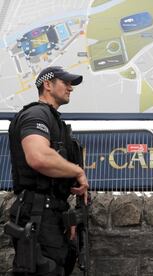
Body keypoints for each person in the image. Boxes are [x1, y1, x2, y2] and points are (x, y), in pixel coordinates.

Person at [7, 66, 89, 275]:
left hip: (51, 214)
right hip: (37, 214)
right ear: (48, 84)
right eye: (66, 83)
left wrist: (67, 216)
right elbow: (38, 157)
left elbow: (55, 181)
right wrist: (77, 171)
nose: (71, 88)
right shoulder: (36, 113)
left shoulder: (55, 121)